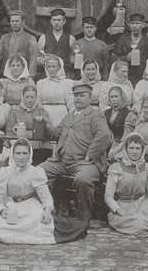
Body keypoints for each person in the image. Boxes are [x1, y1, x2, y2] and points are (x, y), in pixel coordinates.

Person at [0, 138, 88, 244]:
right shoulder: (4, 173)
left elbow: (44, 194)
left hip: (30, 205)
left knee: (39, 222)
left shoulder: (35, 172)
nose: (21, 157)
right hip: (11, 206)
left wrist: (48, 210)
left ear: (30, 154)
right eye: (18, 153)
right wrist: (2, 210)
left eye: (25, 153)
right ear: (12, 154)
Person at [39, 83, 113, 222]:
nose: (78, 98)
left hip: (84, 163)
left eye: (82, 95)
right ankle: (42, 211)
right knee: (38, 172)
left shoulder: (96, 115)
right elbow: (57, 132)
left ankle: (83, 218)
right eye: (76, 96)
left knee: (83, 180)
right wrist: (44, 123)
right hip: (61, 161)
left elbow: (105, 136)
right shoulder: (69, 117)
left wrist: (90, 154)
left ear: (90, 98)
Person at [110, 95, 148, 163]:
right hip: (132, 155)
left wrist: (127, 155)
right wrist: (118, 151)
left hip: (143, 160)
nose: (146, 110)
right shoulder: (142, 122)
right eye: (144, 107)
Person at [5, 86, 55, 164]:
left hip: (39, 146)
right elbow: (9, 131)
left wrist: (43, 123)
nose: (29, 100)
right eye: (27, 97)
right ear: (22, 97)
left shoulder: (42, 111)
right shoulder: (15, 111)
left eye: (32, 97)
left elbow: (52, 133)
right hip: (20, 144)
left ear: (36, 98)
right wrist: (15, 143)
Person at [111, 13, 148, 86]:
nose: (134, 26)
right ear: (129, 25)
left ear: (143, 24)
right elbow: (113, 59)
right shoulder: (123, 40)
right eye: (132, 23)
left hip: (144, 79)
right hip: (126, 79)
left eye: (137, 23)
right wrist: (126, 58)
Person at [36, 55, 74, 130]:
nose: (51, 69)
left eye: (54, 66)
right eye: (49, 66)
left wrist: (71, 119)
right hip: (45, 114)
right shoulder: (41, 83)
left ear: (60, 67)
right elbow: (38, 103)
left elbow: (71, 104)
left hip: (61, 114)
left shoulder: (66, 83)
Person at [0, 10, 39, 78]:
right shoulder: (4, 38)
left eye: (17, 21)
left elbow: (33, 60)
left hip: (23, 75)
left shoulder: (30, 38)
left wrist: (30, 77)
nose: (14, 23)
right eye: (12, 21)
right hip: (6, 75)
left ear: (23, 22)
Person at [37, 9, 76, 79]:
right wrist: (41, 61)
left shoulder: (71, 38)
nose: (56, 22)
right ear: (51, 22)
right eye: (54, 20)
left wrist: (72, 61)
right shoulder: (43, 38)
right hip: (48, 76)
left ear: (64, 21)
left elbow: (73, 59)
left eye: (59, 20)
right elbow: (38, 58)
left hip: (65, 76)